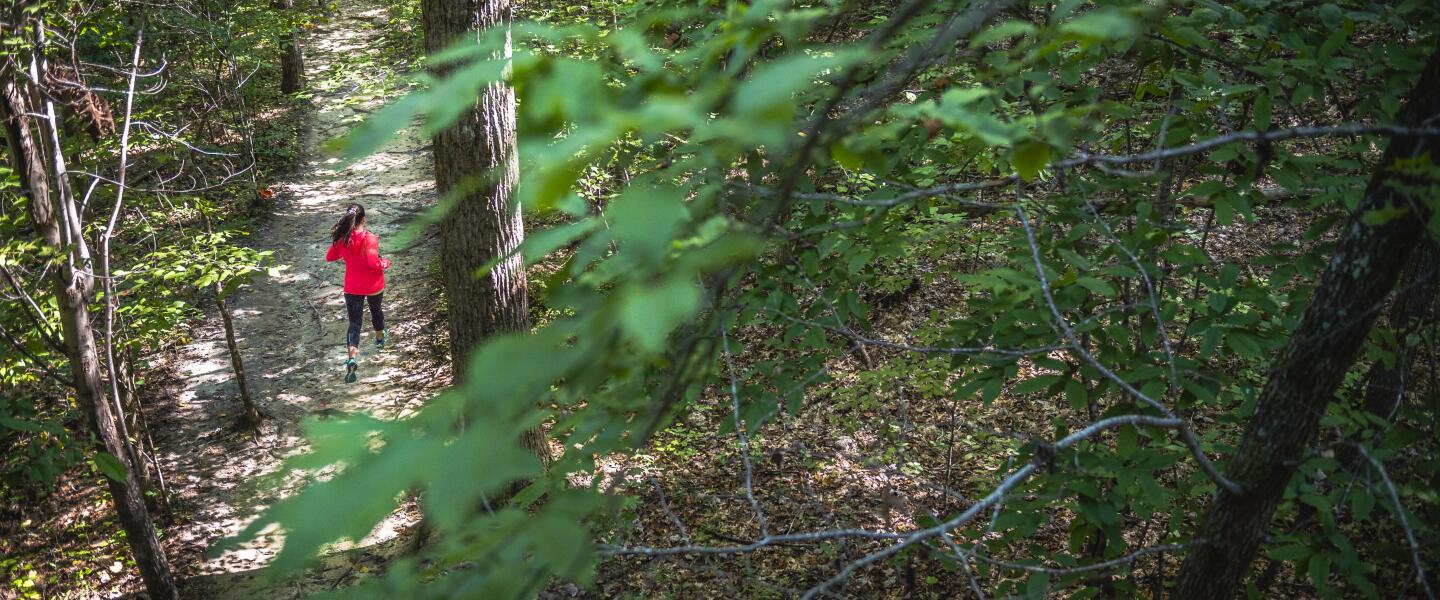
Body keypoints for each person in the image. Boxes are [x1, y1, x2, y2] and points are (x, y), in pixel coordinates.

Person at [325, 203, 390, 383]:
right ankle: (379, 339)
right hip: (373, 285)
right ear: (363, 220)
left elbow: (330, 257)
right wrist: (384, 263)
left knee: (354, 323)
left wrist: (340, 243)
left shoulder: (343, 239)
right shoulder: (370, 238)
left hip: (352, 287)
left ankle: (352, 357)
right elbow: (372, 261)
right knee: (376, 311)